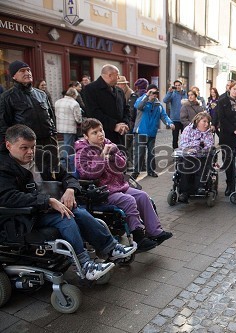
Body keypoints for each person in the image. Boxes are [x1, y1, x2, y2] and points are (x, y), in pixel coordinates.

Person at [0, 124, 136, 280]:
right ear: (8, 145)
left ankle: (110, 249)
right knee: (66, 218)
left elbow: (68, 176)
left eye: (33, 146)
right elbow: (8, 197)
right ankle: (85, 265)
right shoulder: (4, 167)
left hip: (50, 206)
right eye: (24, 148)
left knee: (81, 212)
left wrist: (70, 189)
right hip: (23, 216)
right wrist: (47, 201)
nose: (30, 152)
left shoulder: (42, 156)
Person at [75, 118, 172, 252]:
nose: (100, 134)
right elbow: (89, 173)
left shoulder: (109, 144)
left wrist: (114, 154)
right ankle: (138, 237)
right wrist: (103, 155)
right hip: (102, 192)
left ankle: (155, 231)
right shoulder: (82, 151)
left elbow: (123, 166)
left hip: (119, 186)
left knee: (142, 196)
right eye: (94, 132)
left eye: (101, 130)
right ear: (86, 136)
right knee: (128, 200)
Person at [0, 60, 58, 161]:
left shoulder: (42, 94)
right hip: (27, 146)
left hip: (49, 141)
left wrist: (53, 134)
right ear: (14, 76)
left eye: (28, 70)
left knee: (53, 172)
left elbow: (51, 116)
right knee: (33, 174)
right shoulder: (7, 97)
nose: (27, 73)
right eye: (22, 71)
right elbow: (4, 126)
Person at [81, 64, 130, 147]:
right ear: (110, 75)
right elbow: (93, 113)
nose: (118, 78)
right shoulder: (90, 89)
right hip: (102, 136)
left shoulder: (119, 91)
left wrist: (124, 124)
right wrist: (113, 125)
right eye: (117, 75)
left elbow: (126, 109)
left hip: (120, 135)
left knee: (121, 158)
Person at [132, 87, 175, 179]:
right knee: (139, 153)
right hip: (141, 132)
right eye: (152, 92)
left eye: (155, 93)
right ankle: (136, 171)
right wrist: (147, 96)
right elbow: (138, 106)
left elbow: (164, 116)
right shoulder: (142, 100)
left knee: (151, 153)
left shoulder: (158, 105)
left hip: (152, 132)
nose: (154, 94)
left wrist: (169, 123)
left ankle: (151, 171)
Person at [177, 112, 215, 203]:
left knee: (203, 165)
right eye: (204, 121)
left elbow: (209, 145)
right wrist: (199, 143)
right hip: (189, 155)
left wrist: (194, 145)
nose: (206, 124)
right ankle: (184, 192)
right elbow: (183, 144)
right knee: (185, 167)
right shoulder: (188, 129)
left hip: (203, 155)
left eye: (208, 122)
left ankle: (200, 187)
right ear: (197, 121)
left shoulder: (208, 132)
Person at [54, 87, 83, 170]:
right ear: (74, 95)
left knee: (70, 144)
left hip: (61, 126)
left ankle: (73, 161)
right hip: (70, 127)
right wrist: (80, 122)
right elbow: (78, 118)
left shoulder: (58, 102)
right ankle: (65, 164)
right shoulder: (74, 103)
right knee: (68, 146)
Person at [163, 80, 187, 149]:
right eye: (176, 85)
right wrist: (169, 92)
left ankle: (184, 152)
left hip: (184, 119)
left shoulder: (185, 94)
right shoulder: (172, 94)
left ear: (181, 85)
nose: (177, 87)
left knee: (185, 138)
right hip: (175, 119)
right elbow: (165, 100)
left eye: (179, 85)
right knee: (175, 138)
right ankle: (175, 153)